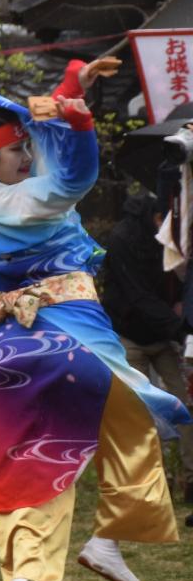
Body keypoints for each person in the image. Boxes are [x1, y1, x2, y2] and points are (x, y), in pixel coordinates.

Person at [0, 56, 188, 581]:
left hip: (18, 339)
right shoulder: (26, 200)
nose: (28, 157)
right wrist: (78, 122)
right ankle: (63, 561)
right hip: (68, 336)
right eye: (17, 151)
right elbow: (74, 173)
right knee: (85, 440)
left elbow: (47, 153)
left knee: (55, 444)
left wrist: (70, 87)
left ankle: (52, 564)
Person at [98, 191, 192, 500]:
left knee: (185, 404)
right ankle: (150, 482)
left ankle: (189, 478)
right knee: (141, 413)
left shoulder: (169, 239)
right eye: (156, 218)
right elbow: (137, 296)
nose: (160, 223)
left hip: (163, 336)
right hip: (131, 336)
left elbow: (176, 278)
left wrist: (181, 300)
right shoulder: (123, 240)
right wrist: (180, 328)